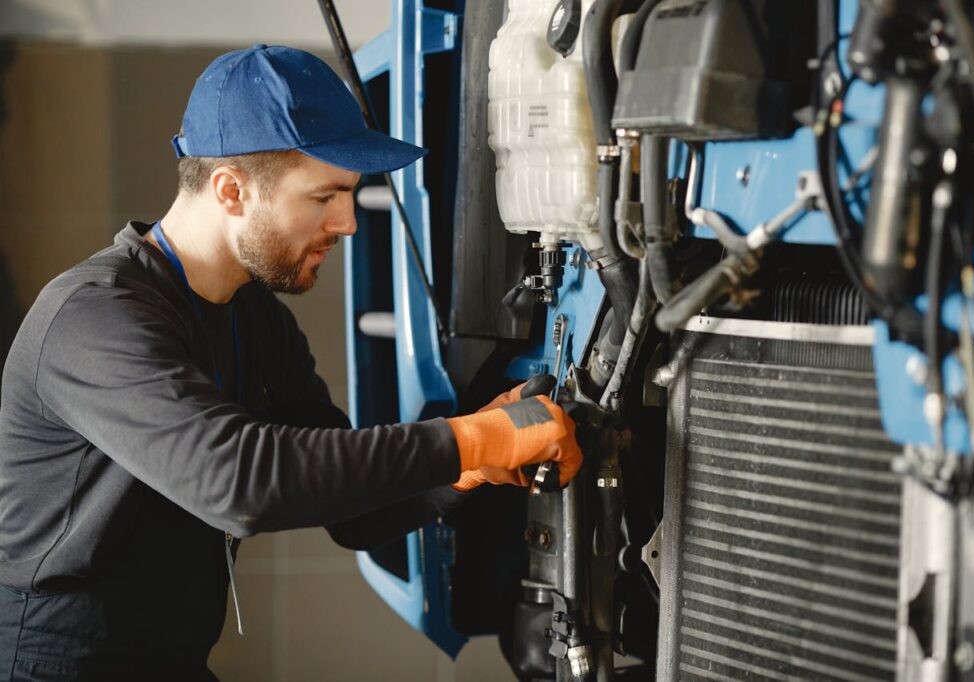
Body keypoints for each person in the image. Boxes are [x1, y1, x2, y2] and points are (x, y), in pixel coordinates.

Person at [0, 44, 582, 681]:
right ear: (230, 190)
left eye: (351, 195)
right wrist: (465, 440)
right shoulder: (93, 317)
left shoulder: (255, 319)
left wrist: (469, 468)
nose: (348, 222)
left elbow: (353, 511)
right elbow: (240, 484)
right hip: (56, 663)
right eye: (325, 195)